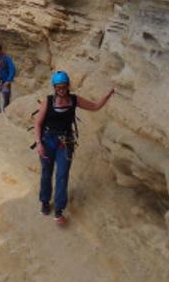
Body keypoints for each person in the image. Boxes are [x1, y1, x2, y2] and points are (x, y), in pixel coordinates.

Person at [34, 70, 115, 224]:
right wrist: (39, 143)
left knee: (62, 174)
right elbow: (37, 123)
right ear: (54, 87)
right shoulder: (47, 102)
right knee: (46, 172)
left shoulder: (74, 100)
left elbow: (95, 106)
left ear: (68, 86)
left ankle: (58, 210)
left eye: (64, 86)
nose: (61, 89)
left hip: (65, 142)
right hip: (47, 140)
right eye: (58, 87)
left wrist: (108, 95)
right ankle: (45, 201)